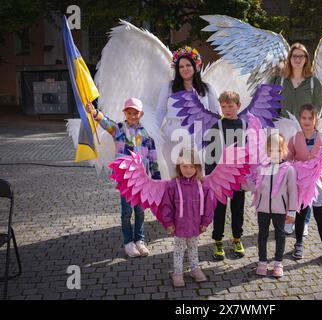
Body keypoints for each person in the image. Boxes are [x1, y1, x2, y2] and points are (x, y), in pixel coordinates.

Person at [85, 98, 161, 258]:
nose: (132, 116)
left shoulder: (147, 134)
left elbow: (153, 157)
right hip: (126, 180)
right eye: (129, 113)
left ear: (141, 114)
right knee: (127, 212)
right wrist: (95, 113)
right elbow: (106, 122)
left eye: (136, 113)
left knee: (140, 211)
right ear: (124, 113)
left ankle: (139, 240)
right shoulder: (119, 129)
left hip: (142, 180)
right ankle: (128, 242)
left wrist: (156, 177)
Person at [279, 43, 322, 236]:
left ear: (306, 59)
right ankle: (288, 217)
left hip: (306, 135)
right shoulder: (280, 81)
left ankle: (303, 220)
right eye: (294, 56)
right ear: (289, 59)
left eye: (301, 56)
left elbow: (319, 108)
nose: (297, 59)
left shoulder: (313, 82)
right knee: (286, 177)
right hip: (284, 134)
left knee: (305, 180)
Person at [155, 46, 220, 177]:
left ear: (195, 66)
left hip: (198, 138)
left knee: (196, 174)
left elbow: (215, 115)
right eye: (181, 67)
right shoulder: (169, 87)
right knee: (175, 176)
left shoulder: (207, 89)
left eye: (188, 65)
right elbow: (160, 112)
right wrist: (152, 133)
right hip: (172, 137)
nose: (185, 69)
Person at [286, 104, 322, 266]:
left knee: (320, 216)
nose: (307, 121)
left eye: (310, 118)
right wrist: (296, 168)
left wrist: (321, 170)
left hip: (319, 185)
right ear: (300, 119)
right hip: (301, 185)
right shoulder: (295, 138)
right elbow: (288, 158)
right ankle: (299, 244)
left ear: (316, 119)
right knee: (300, 215)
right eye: (304, 118)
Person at [159, 148, 215, 287]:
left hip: (195, 225)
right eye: (185, 166)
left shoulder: (203, 185)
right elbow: (166, 206)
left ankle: (195, 269)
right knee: (178, 250)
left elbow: (208, 205)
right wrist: (169, 223)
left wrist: (205, 222)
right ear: (179, 166)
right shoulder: (172, 185)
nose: (188, 170)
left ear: (197, 167)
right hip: (179, 226)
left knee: (193, 248)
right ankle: (177, 273)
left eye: (192, 166)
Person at [205, 90, 247, 260]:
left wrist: (249, 174)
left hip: (238, 177)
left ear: (238, 106)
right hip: (220, 178)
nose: (227, 110)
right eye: (223, 107)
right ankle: (218, 240)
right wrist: (210, 177)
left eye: (230, 106)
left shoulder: (244, 125)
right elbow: (210, 154)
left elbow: (249, 151)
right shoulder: (217, 126)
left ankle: (237, 238)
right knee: (219, 210)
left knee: (238, 209)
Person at [249, 133, 297, 278]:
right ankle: (262, 262)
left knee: (280, 235)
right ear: (267, 150)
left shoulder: (289, 169)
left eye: (278, 149)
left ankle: (278, 263)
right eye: (271, 149)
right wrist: (245, 183)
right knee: (262, 235)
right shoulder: (262, 168)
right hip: (263, 209)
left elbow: (293, 192)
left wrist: (292, 212)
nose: (274, 153)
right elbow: (256, 187)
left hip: (280, 209)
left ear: (283, 150)